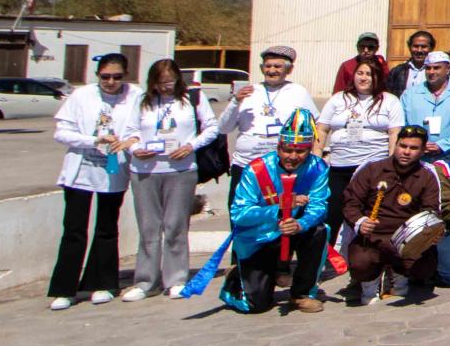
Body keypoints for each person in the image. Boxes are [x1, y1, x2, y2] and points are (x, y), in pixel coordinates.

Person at [123, 58, 218, 301]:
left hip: (181, 169)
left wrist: (190, 146)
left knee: (176, 226)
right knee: (148, 228)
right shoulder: (141, 102)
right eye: (161, 82)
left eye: (171, 82)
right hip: (146, 170)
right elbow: (129, 132)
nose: (166, 87)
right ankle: (146, 281)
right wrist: (135, 149)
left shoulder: (192, 99)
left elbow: (211, 128)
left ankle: (176, 279)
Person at [48, 54, 138, 310]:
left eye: (117, 77)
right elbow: (62, 132)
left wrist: (128, 141)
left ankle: (102, 283)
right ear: (97, 75)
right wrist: (93, 140)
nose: (111, 82)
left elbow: (138, 129)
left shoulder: (134, 95)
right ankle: (65, 288)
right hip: (81, 171)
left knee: (107, 228)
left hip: (112, 170)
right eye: (105, 77)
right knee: (74, 230)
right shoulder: (81, 96)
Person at [219, 111, 331, 314]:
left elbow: (319, 206)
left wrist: (300, 224)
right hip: (261, 236)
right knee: (256, 305)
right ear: (278, 146)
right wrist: (278, 209)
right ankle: (238, 278)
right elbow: (239, 214)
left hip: (294, 230)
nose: (293, 157)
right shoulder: (257, 169)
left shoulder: (317, 168)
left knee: (320, 231)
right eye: (287, 150)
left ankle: (302, 293)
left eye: (301, 151)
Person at [341, 125, 447, 304]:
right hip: (372, 236)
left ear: (422, 151)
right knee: (361, 263)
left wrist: (431, 232)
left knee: (425, 266)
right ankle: (370, 281)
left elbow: (431, 210)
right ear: (395, 144)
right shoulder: (371, 169)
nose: (406, 152)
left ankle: (399, 274)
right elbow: (350, 203)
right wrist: (360, 222)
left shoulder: (427, 175)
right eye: (403, 146)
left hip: (406, 239)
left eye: (413, 148)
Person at [317, 60, 405, 247]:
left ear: (378, 77)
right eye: (360, 73)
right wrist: (316, 161)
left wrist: (391, 165)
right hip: (340, 166)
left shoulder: (389, 100)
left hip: (373, 167)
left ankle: (366, 250)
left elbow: (394, 133)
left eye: (369, 74)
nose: (363, 78)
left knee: (370, 210)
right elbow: (322, 129)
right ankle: (329, 253)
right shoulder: (338, 99)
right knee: (333, 210)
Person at [219, 46, 319, 208]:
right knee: (241, 215)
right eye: (268, 66)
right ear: (261, 68)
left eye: (277, 66)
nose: (272, 70)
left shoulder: (298, 92)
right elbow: (224, 128)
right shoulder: (249, 92)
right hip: (246, 166)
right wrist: (235, 102)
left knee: (278, 217)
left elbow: (314, 128)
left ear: (289, 69)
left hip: (281, 168)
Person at [399, 50, 450, 156]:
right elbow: (402, 123)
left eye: (436, 68)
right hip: (417, 156)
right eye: (428, 68)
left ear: (448, 69)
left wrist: (443, 145)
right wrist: (417, 144)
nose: (431, 72)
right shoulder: (410, 94)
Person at [385, 30, 435, 96]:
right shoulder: (397, 71)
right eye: (416, 46)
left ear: (431, 48)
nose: (419, 50)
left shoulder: (438, 71)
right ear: (409, 47)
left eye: (423, 47)